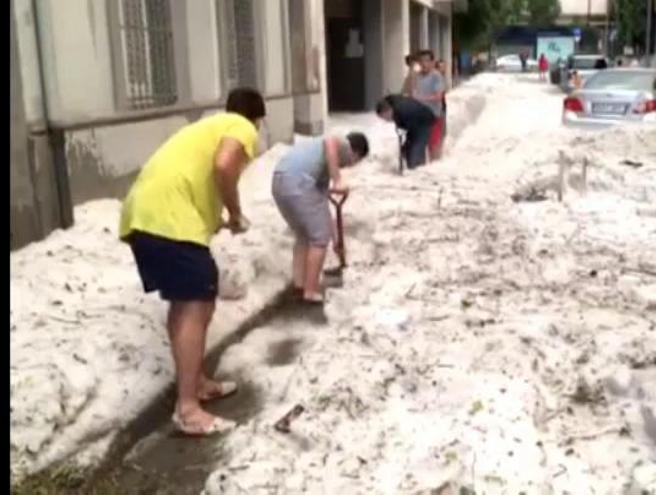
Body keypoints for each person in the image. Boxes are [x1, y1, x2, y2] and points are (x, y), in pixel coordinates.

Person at [118, 88, 265, 436]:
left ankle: (196, 383)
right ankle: (187, 409)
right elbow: (224, 165)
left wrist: (218, 218)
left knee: (187, 305)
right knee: (196, 304)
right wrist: (236, 212)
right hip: (168, 222)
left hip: (145, 217)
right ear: (257, 118)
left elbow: (200, 178)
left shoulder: (206, 128)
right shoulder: (242, 127)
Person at [271, 133, 369, 309]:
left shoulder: (320, 166)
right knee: (318, 239)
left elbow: (320, 208)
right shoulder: (344, 146)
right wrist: (338, 180)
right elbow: (330, 140)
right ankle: (311, 290)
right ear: (356, 154)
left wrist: (336, 240)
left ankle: (300, 286)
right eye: (355, 162)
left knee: (304, 235)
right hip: (299, 182)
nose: (350, 165)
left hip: (280, 182)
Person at [376, 93, 436, 169]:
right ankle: (411, 168)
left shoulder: (404, 109)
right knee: (407, 148)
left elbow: (413, 133)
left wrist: (406, 140)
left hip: (424, 122)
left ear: (387, 111)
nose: (386, 120)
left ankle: (417, 170)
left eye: (385, 118)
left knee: (416, 149)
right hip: (416, 122)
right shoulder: (394, 106)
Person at [413, 49, 447, 160]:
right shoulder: (417, 77)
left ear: (433, 62)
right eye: (421, 61)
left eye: (427, 61)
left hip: (434, 117)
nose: (424, 64)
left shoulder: (436, 76)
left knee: (433, 148)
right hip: (419, 118)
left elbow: (438, 97)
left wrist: (420, 99)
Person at [436, 59, 450, 143]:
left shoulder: (441, 78)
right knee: (440, 131)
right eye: (441, 67)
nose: (444, 69)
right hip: (438, 107)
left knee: (443, 131)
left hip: (442, 106)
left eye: (444, 67)